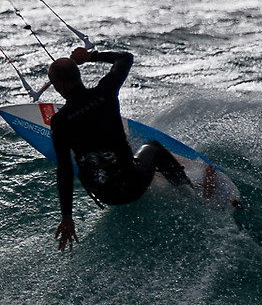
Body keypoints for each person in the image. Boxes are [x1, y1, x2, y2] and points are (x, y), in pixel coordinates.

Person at [48, 45, 191, 251]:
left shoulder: (59, 122)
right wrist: (89, 56)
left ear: (59, 85)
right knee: (153, 146)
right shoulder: (105, 91)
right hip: (134, 185)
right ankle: (188, 193)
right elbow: (125, 58)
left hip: (107, 195)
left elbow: (65, 169)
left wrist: (67, 217)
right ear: (78, 75)